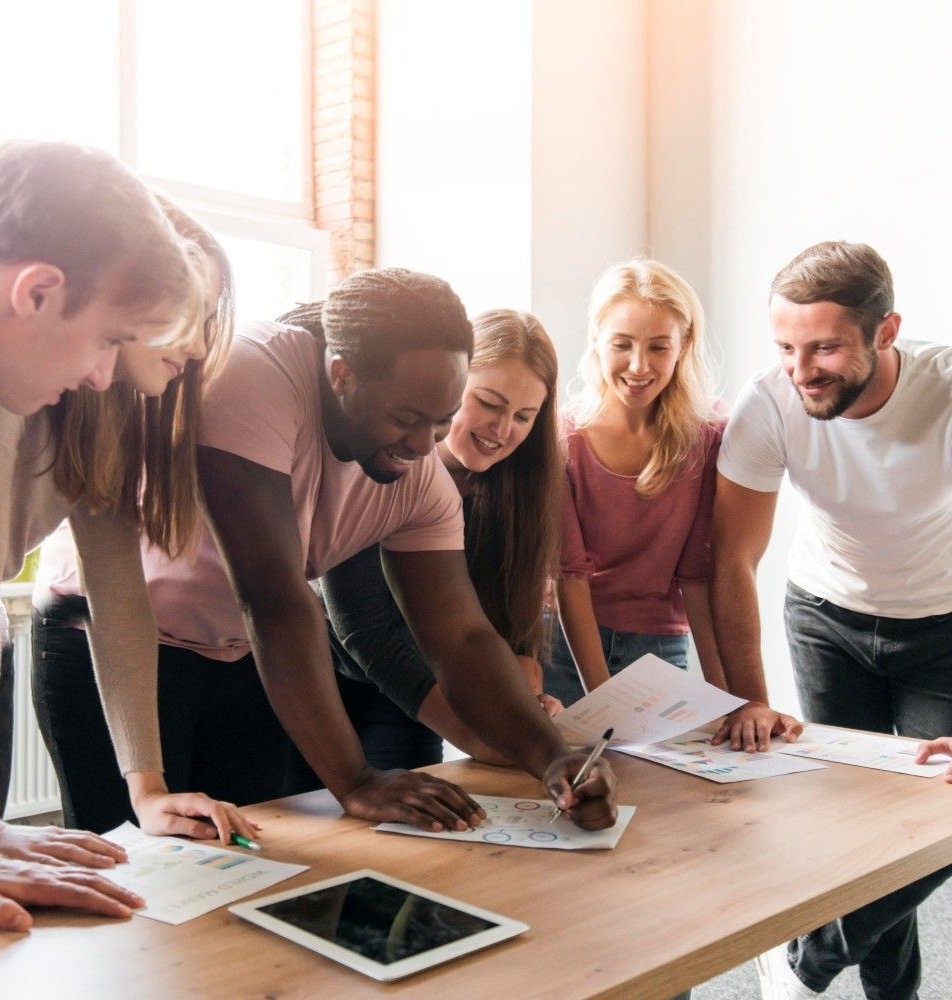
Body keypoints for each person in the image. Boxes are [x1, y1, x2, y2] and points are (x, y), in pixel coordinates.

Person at [37, 269, 617, 833]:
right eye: (407, 418)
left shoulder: (419, 482)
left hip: (239, 655)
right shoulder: (256, 373)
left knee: (246, 862)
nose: (421, 446)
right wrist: (356, 780)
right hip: (112, 645)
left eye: (440, 423)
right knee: (125, 877)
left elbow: (461, 637)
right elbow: (274, 597)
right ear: (341, 374)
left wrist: (551, 757)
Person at [0, 203, 252, 898]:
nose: (198, 344)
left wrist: (146, 789)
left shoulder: (98, 411)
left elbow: (119, 600)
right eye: (179, 314)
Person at [711, 241, 948, 999]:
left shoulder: (943, 389)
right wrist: (749, 695)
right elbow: (732, 561)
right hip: (826, 621)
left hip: (940, 626)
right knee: (859, 829)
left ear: (885, 332)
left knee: (930, 824)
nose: (800, 368)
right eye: (784, 346)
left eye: (822, 347)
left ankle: (807, 953)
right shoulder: (768, 402)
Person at [319, 309, 564, 768]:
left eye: (524, 416)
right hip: (327, 681)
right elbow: (366, 630)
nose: (502, 428)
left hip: (416, 693)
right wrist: (479, 733)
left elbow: (508, 619)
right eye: (489, 403)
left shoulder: (522, 488)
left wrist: (523, 693)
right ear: (449, 387)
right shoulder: (386, 459)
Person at [543, 259, 728, 712]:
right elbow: (570, 575)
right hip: (565, 646)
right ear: (596, 341)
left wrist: (728, 698)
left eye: (659, 347)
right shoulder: (561, 438)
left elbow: (696, 576)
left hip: (660, 649)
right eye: (621, 345)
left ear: (683, 347)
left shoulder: (707, 438)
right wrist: (602, 696)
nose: (639, 365)